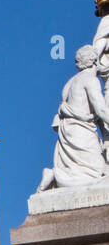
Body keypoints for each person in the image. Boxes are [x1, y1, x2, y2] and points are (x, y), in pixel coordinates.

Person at [38, 46, 109, 190]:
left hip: (68, 130)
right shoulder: (90, 80)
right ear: (95, 61)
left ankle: (54, 174)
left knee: (79, 169)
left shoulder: (70, 82)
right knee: (97, 175)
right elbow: (100, 109)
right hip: (81, 130)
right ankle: (56, 175)